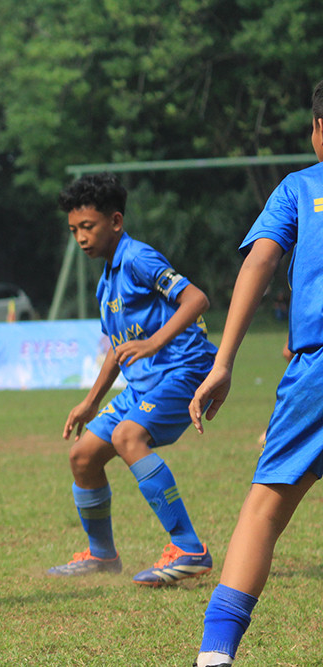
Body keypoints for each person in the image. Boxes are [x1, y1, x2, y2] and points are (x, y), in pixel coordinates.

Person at [189, 80, 323, 667]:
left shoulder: (299, 187)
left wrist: (223, 363)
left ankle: (215, 657)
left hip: (316, 370)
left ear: (319, 132)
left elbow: (262, 260)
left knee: (264, 510)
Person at [48, 172, 218, 586]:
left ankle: (189, 548)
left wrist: (155, 342)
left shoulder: (139, 258)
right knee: (83, 456)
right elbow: (118, 347)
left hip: (184, 369)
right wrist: (91, 401)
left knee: (128, 437)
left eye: (87, 227)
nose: (81, 238)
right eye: (74, 230)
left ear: (116, 221)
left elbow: (196, 299)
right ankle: (102, 555)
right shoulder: (106, 279)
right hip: (146, 381)